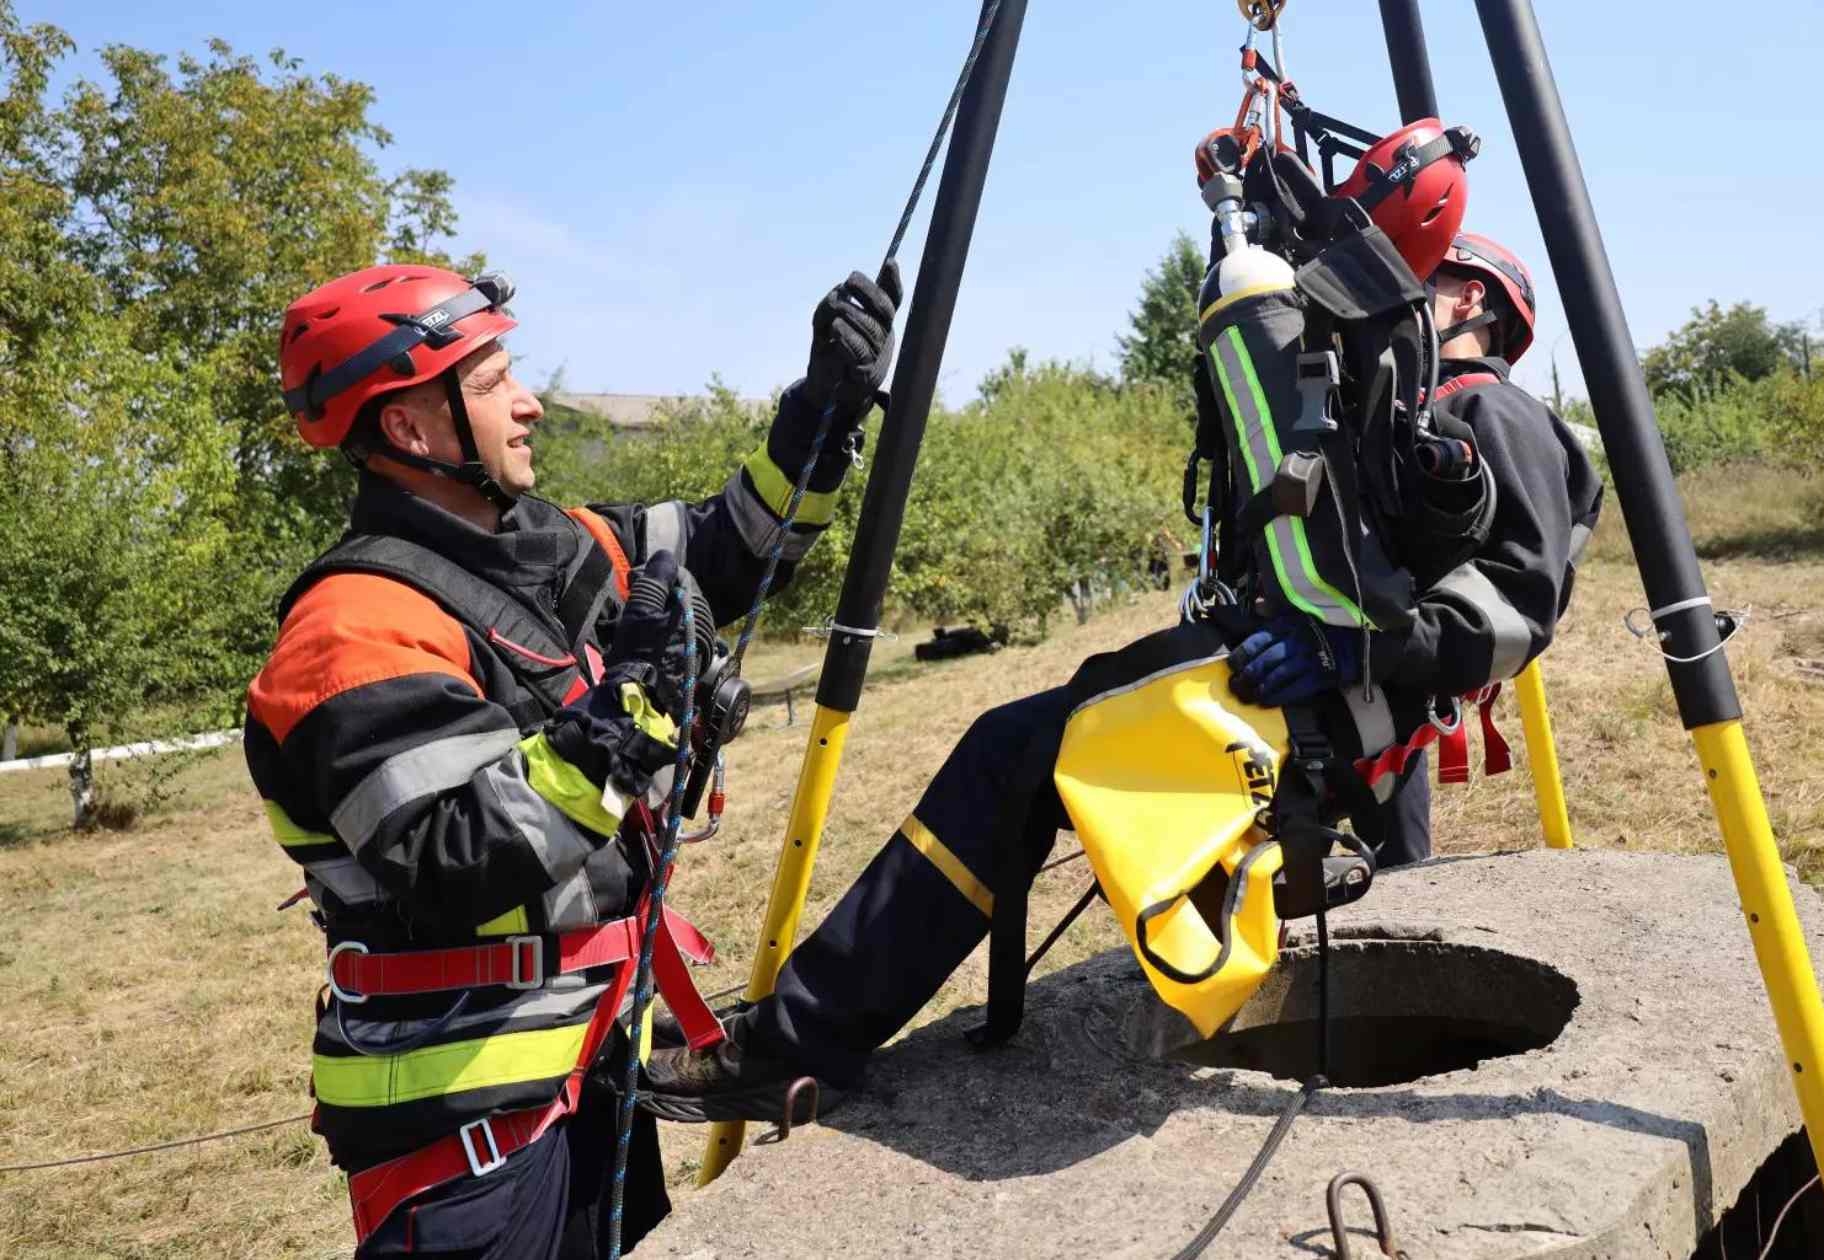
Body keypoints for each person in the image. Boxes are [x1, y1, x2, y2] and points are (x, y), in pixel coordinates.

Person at [638, 217, 1603, 1124]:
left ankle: (801, 1039)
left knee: (1009, 751)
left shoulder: (1493, 409)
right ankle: (806, 1026)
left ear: (1474, 302)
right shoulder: (1405, 409)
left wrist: (1353, 647)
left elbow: (1518, 607)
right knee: (1061, 712)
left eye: (1424, 277)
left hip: (1323, 700)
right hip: (1318, 688)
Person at [246, 258, 902, 1257]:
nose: (530, 402)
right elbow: (452, 861)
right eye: (489, 382)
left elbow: (728, 548)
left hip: (590, 1069)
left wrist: (819, 414)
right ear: (408, 428)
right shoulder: (351, 630)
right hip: (464, 1131)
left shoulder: (545, 547)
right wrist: (623, 722)